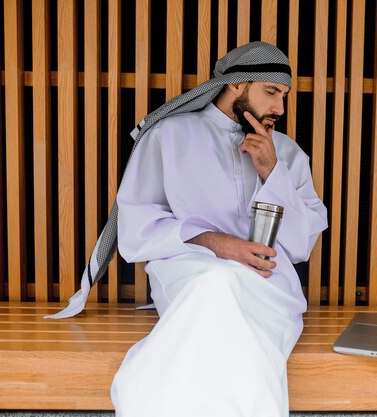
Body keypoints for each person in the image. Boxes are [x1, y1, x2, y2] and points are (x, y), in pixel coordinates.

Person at [109, 42, 328, 417]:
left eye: (284, 96)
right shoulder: (169, 135)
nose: (281, 109)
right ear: (237, 85)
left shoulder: (288, 153)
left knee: (224, 285)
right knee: (217, 281)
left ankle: (144, 402)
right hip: (189, 271)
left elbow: (299, 245)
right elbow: (136, 225)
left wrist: (272, 172)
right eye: (272, 92)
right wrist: (218, 243)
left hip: (267, 281)